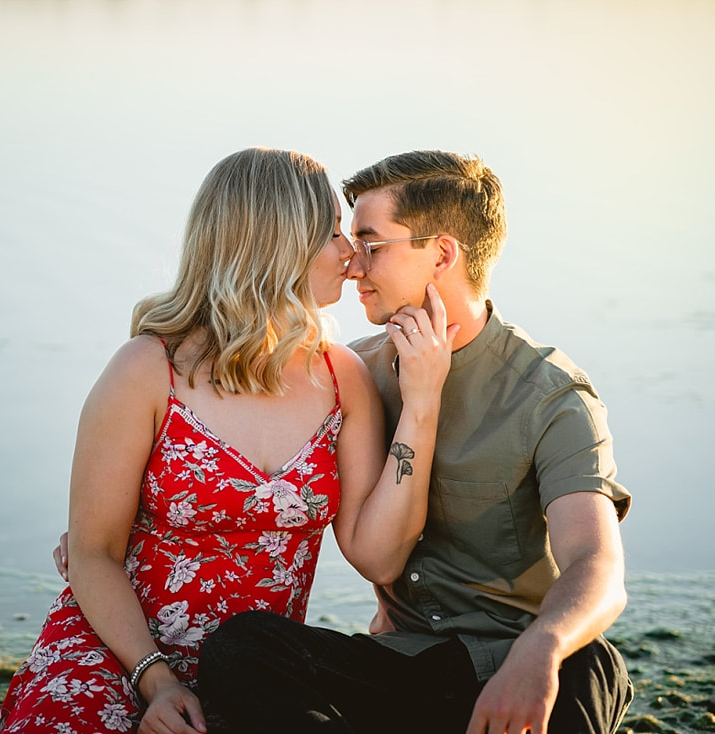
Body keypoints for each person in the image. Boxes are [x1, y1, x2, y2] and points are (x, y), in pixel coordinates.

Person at [0, 147, 455, 734]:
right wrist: (156, 679)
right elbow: (92, 551)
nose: (352, 254)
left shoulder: (342, 380)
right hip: (116, 654)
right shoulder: (147, 370)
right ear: (278, 243)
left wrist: (422, 404)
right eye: (332, 232)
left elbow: (377, 554)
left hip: (253, 670)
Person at [195, 150, 634, 734]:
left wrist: (541, 650)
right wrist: (121, 522)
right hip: (407, 663)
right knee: (241, 649)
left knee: (591, 663)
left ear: (442, 253)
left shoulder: (550, 396)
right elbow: (243, 460)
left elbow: (597, 563)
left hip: (519, 662)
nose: (353, 268)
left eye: (372, 245)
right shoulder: (354, 373)